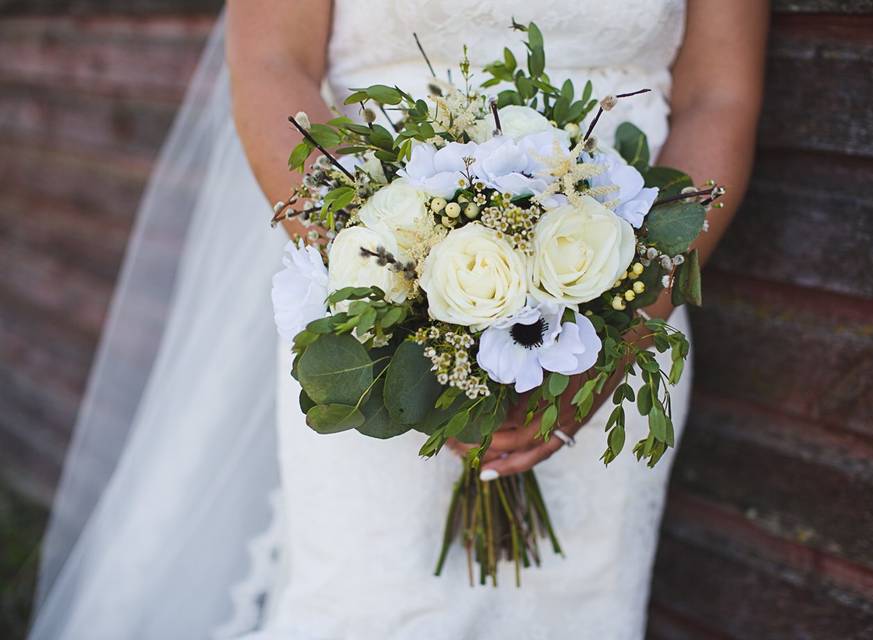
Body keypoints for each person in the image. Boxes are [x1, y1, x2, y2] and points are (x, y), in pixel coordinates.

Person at [30, 1, 767, 638]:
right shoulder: (380, 301)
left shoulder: (625, 319)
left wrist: (626, 322)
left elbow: (718, 96)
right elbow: (269, 63)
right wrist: (394, 293)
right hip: (375, 312)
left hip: (616, 305)